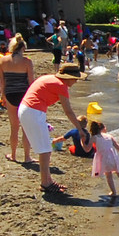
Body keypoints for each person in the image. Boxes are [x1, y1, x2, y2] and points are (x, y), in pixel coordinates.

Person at [20, 63, 86, 194]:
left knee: (45, 149)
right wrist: (80, 129)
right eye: (75, 79)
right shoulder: (61, 86)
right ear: (68, 77)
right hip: (33, 112)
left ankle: (48, 180)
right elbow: (68, 111)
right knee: (45, 150)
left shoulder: (48, 78)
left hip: (26, 109)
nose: (76, 82)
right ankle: (46, 183)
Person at [0, 35, 35, 162]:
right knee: (26, 128)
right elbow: (31, 83)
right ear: (23, 47)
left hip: (9, 95)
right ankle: (27, 156)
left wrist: (2, 97)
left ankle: (13, 155)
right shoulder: (27, 62)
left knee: (14, 127)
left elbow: (2, 83)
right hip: (24, 96)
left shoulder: (2, 61)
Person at [91, 116, 119, 199]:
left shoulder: (94, 137)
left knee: (108, 175)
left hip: (104, 158)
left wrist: (83, 142)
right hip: (113, 157)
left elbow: (87, 148)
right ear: (103, 129)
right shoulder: (109, 136)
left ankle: (114, 192)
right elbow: (117, 146)